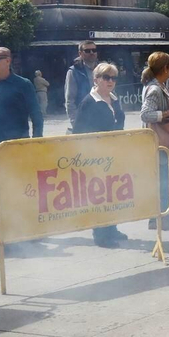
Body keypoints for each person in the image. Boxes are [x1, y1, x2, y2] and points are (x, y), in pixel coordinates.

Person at [71, 62, 128, 246]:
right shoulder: (88, 102)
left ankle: (111, 228)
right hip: (95, 156)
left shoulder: (114, 98)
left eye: (113, 78)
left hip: (113, 154)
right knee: (98, 194)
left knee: (111, 192)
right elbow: (79, 131)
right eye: (106, 77)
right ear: (96, 79)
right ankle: (101, 234)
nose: (110, 81)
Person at [139, 51, 169, 226]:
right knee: (162, 178)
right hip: (158, 141)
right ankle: (159, 216)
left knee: (165, 177)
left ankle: (164, 212)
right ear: (165, 68)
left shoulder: (158, 85)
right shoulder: (156, 89)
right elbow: (146, 114)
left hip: (161, 141)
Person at [0, 47, 43, 154]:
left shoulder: (23, 84)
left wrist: (37, 141)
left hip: (18, 145)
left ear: (8, 61)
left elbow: (36, 114)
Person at [64, 41, 98, 125]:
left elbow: (112, 94)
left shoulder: (102, 69)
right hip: (84, 120)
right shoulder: (74, 72)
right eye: (87, 51)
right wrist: (75, 122)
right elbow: (70, 100)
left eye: (94, 50)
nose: (91, 53)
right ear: (80, 53)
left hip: (102, 118)